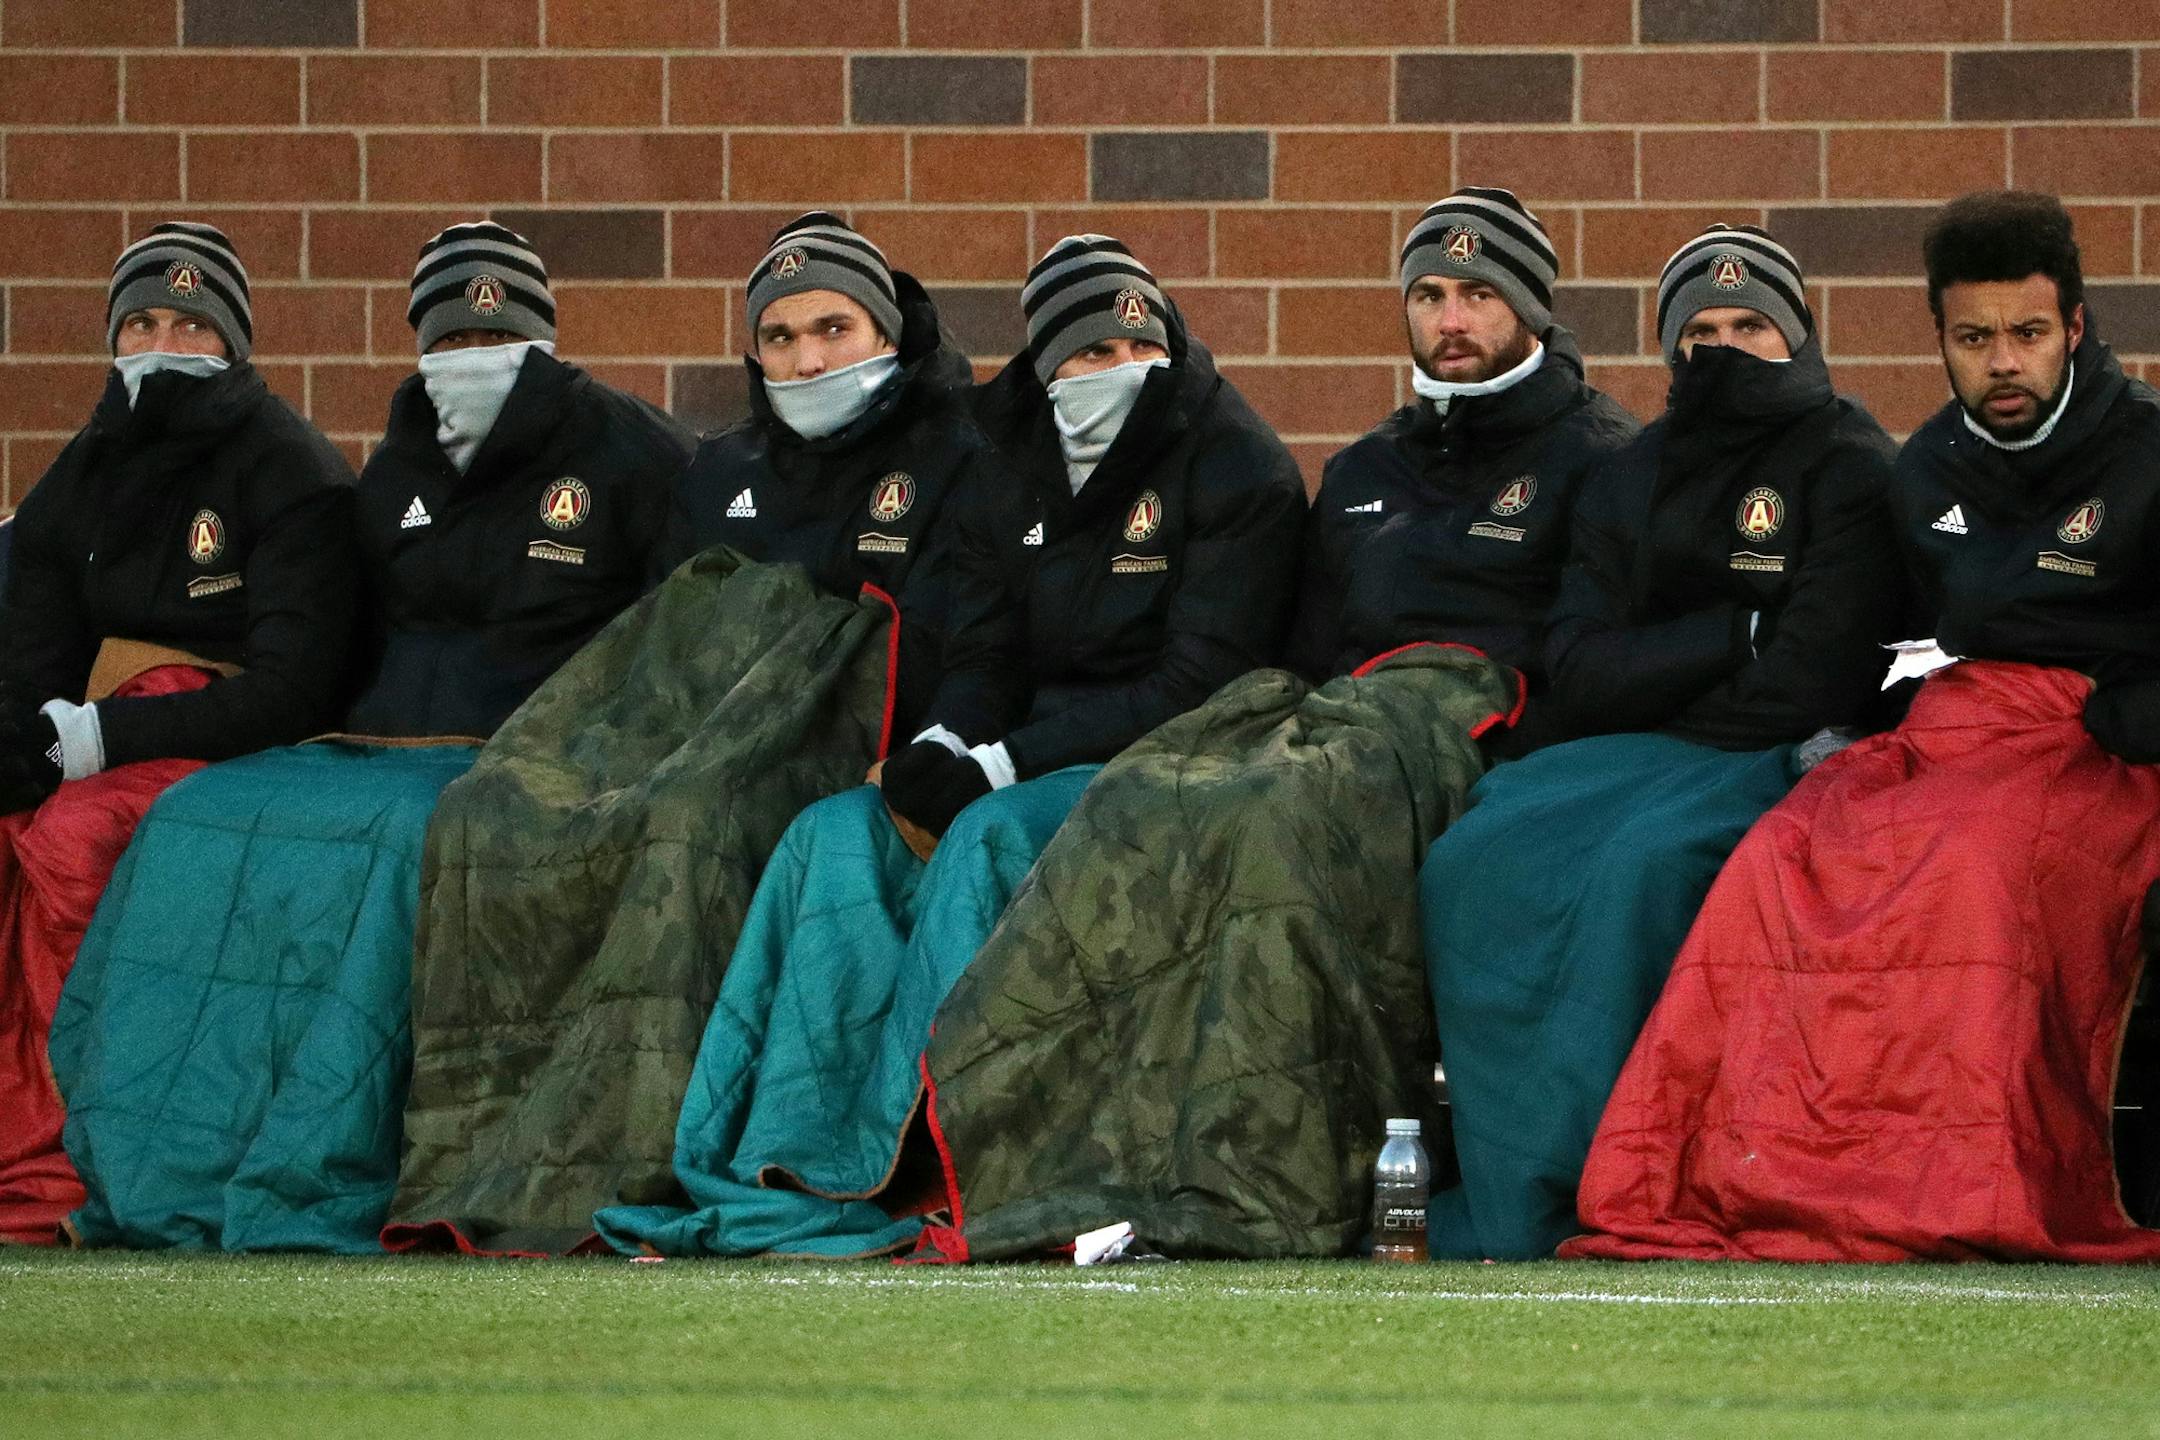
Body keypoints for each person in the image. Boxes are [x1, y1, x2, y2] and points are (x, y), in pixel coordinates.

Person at [901, 192, 1639, 1265]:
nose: (1451, 319)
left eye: (1480, 295)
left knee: (1269, 820)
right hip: (1331, 718)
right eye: (1430, 295)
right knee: (1151, 796)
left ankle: (1265, 1178)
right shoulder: (1365, 473)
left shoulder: (1599, 458)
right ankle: (1098, 1169)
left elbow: (1585, 655)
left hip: (1475, 732)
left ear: (1529, 306)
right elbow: (1301, 657)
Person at [594, 233, 1307, 1260]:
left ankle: (918, 1159)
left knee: (984, 840)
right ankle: (777, 1152)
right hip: (1020, 743)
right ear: (1045, 366)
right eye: (1082, 354)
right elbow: (984, 643)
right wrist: (945, 739)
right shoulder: (1007, 457)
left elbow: (1202, 679)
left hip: (1169, 759)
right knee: (834, 834)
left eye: (1128, 349)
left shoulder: (1237, 463)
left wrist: (1002, 766)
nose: (1108, 373)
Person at [49, 221, 696, 1254]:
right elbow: (343, 642)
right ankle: (152, 1166)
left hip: (526, 756)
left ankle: (323, 1152)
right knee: (192, 817)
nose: (469, 358)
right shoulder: (398, 467)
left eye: (497, 334)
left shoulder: (636, 452)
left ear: (545, 335)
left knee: (400, 849)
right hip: (370, 743)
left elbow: (677, 641)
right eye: (444, 340)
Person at [386, 214, 998, 1256]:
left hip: (848, 745)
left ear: (888, 328)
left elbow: (970, 633)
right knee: (489, 806)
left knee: (683, 822)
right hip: (694, 735)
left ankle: (651, 1147)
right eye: (781, 338)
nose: (807, 359)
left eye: (834, 329)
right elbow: (662, 641)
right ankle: (481, 1158)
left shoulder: (966, 455)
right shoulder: (717, 472)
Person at [1567, 192, 2160, 1264]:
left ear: (2075, 328)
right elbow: (1915, 640)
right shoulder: (1927, 467)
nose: (2004, 364)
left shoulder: (2148, 456)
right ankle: (1767, 1181)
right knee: (1784, 854)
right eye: (1974, 340)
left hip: (2107, 746)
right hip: (1954, 731)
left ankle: (1963, 1186)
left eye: (2028, 335)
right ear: (1939, 340)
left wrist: (2126, 709)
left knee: (1973, 872)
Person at [1415, 223, 1904, 1261]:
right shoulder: (1632, 472)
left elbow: (1813, 678)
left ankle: (1601, 1176)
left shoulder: (1851, 463)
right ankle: (1507, 1182)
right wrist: (1735, 633)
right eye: (1702, 331)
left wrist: (1672, 676)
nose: (1726, 349)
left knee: (1641, 869)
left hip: (1784, 759)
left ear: (1799, 334)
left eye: (1752, 326)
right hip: (1634, 750)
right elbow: (1579, 662)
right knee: (1476, 855)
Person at [0, 222, 357, 1244]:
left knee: (71, 845)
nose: (164, 343)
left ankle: (76, 1153)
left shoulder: (289, 467)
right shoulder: (82, 471)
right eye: (143, 322)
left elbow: (295, 688)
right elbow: (30, 657)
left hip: (241, 743)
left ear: (235, 342)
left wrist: (106, 734)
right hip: (93, 730)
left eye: (192, 325)